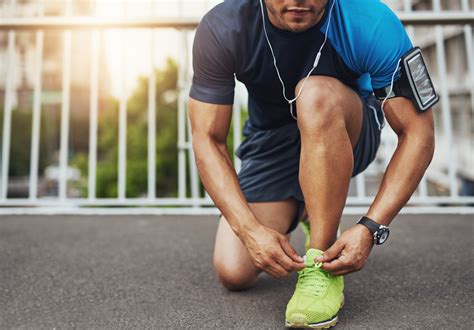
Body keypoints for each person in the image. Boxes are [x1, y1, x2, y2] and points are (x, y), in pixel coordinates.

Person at [188, 0, 435, 328]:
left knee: (314, 94)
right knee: (234, 269)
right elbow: (208, 139)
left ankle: (321, 257)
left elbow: (418, 133)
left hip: (346, 125)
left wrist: (371, 227)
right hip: (272, 141)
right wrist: (249, 231)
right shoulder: (223, 27)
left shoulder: (369, 21)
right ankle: (311, 208)